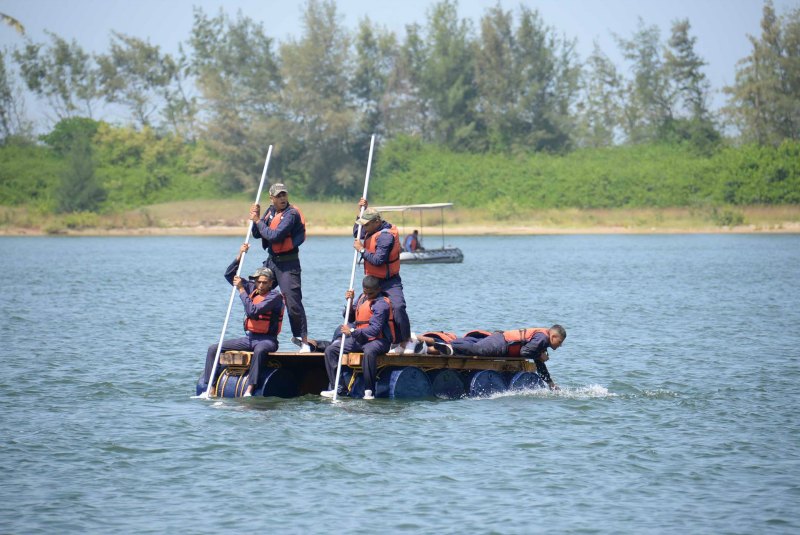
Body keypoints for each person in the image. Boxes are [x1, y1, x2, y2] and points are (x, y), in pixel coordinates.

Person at [201, 244, 285, 397]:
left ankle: (250, 388)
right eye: (258, 281)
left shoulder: (275, 297)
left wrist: (240, 289)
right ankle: (210, 386)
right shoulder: (251, 288)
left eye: (264, 282)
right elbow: (229, 274)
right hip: (249, 338)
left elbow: (253, 311)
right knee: (214, 348)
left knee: (259, 351)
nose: (260, 285)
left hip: (268, 341)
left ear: (271, 283)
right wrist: (239, 255)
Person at [250, 183, 310, 353]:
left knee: (292, 302)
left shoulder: (291, 214)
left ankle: (302, 340)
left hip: (288, 264)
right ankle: (262, 335)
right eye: (278, 196)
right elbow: (257, 234)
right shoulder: (270, 211)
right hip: (271, 262)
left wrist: (257, 221)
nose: (282, 198)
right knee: (256, 291)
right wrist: (257, 217)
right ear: (272, 198)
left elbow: (274, 237)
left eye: (284, 195)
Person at [352, 200, 414, 354]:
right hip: (373, 281)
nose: (364, 227)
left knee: (398, 307)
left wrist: (361, 250)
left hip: (389, 281)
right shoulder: (369, 228)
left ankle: (406, 340)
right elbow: (356, 232)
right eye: (363, 224)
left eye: (366, 224)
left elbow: (378, 260)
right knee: (358, 307)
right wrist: (361, 210)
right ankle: (356, 336)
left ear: (377, 222)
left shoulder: (385, 236)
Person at [320, 276, 394, 400]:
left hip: (378, 340)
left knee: (369, 352)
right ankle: (338, 388)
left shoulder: (381, 304)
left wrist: (353, 331)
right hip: (360, 339)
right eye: (366, 292)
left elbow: (374, 330)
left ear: (378, 289)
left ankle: (369, 391)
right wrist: (350, 301)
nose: (368, 295)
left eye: (371, 293)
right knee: (331, 350)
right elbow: (350, 318)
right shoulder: (361, 298)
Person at [433, 325, 567, 390]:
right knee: (478, 350)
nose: (560, 346)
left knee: (476, 346)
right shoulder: (543, 338)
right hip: (502, 343)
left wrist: (550, 383)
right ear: (553, 337)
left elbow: (539, 364)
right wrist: (539, 355)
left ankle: (448, 346)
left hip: (501, 342)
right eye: (560, 342)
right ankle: (449, 346)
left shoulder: (543, 340)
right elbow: (525, 352)